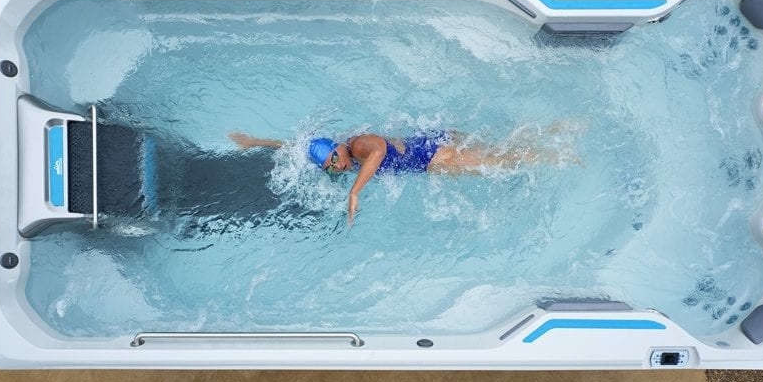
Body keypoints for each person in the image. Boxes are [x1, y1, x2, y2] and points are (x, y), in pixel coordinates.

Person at [229, 128, 570, 225]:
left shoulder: (360, 145)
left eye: (332, 165)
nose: (334, 172)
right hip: (435, 146)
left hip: (439, 157)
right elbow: (298, 146)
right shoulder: (341, 151)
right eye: (329, 170)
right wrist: (256, 142)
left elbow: (378, 152)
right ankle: (555, 132)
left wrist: (355, 193)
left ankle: (559, 156)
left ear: (338, 151)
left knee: (504, 161)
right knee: (501, 149)